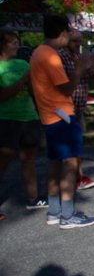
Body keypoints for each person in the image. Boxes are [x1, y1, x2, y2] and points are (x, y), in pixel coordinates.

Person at [28, 15, 94, 228]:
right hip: (61, 115)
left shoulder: (37, 53)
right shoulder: (50, 56)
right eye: (69, 33)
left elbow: (34, 88)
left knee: (55, 163)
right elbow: (67, 88)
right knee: (70, 163)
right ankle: (67, 214)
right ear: (62, 33)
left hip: (51, 115)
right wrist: (81, 68)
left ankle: (54, 210)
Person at [0, 31, 46, 220]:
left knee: (29, 159)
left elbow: (33, 91)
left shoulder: (23, 64)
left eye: (17, 41)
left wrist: (40, 113)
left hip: (29, 117)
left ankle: (33, 198)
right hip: (7, 119)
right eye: (13, 42)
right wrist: (22, 81)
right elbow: (2, 95)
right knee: (3, 162)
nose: (17, 45)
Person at [58, 30, 94, 191]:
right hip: (64, 108)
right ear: (66, 41)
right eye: (74, 41)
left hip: (79, 107)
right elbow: (64, 84)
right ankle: (73, 178)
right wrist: (81, 67)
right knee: (69, 147)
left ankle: (78, 176)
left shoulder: (80, 58)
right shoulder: (60, 57)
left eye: (80, 41)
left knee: (77, 144)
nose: (77, 45)